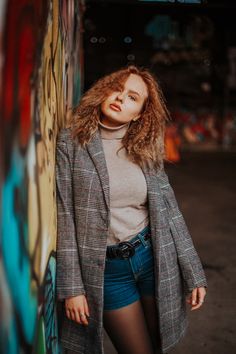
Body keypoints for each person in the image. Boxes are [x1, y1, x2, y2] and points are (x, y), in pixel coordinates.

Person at [56, 65, 207, 354]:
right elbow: (65, 216)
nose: (120, 97)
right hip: (107, 271)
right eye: (117, 88)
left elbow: (170, 210)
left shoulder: (145, 146)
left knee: (159, 344)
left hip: (152, 258)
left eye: (132, 97)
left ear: (139, 112)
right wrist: (73, 288)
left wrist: (194, 272)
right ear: (103, 91)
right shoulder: (72, 142)